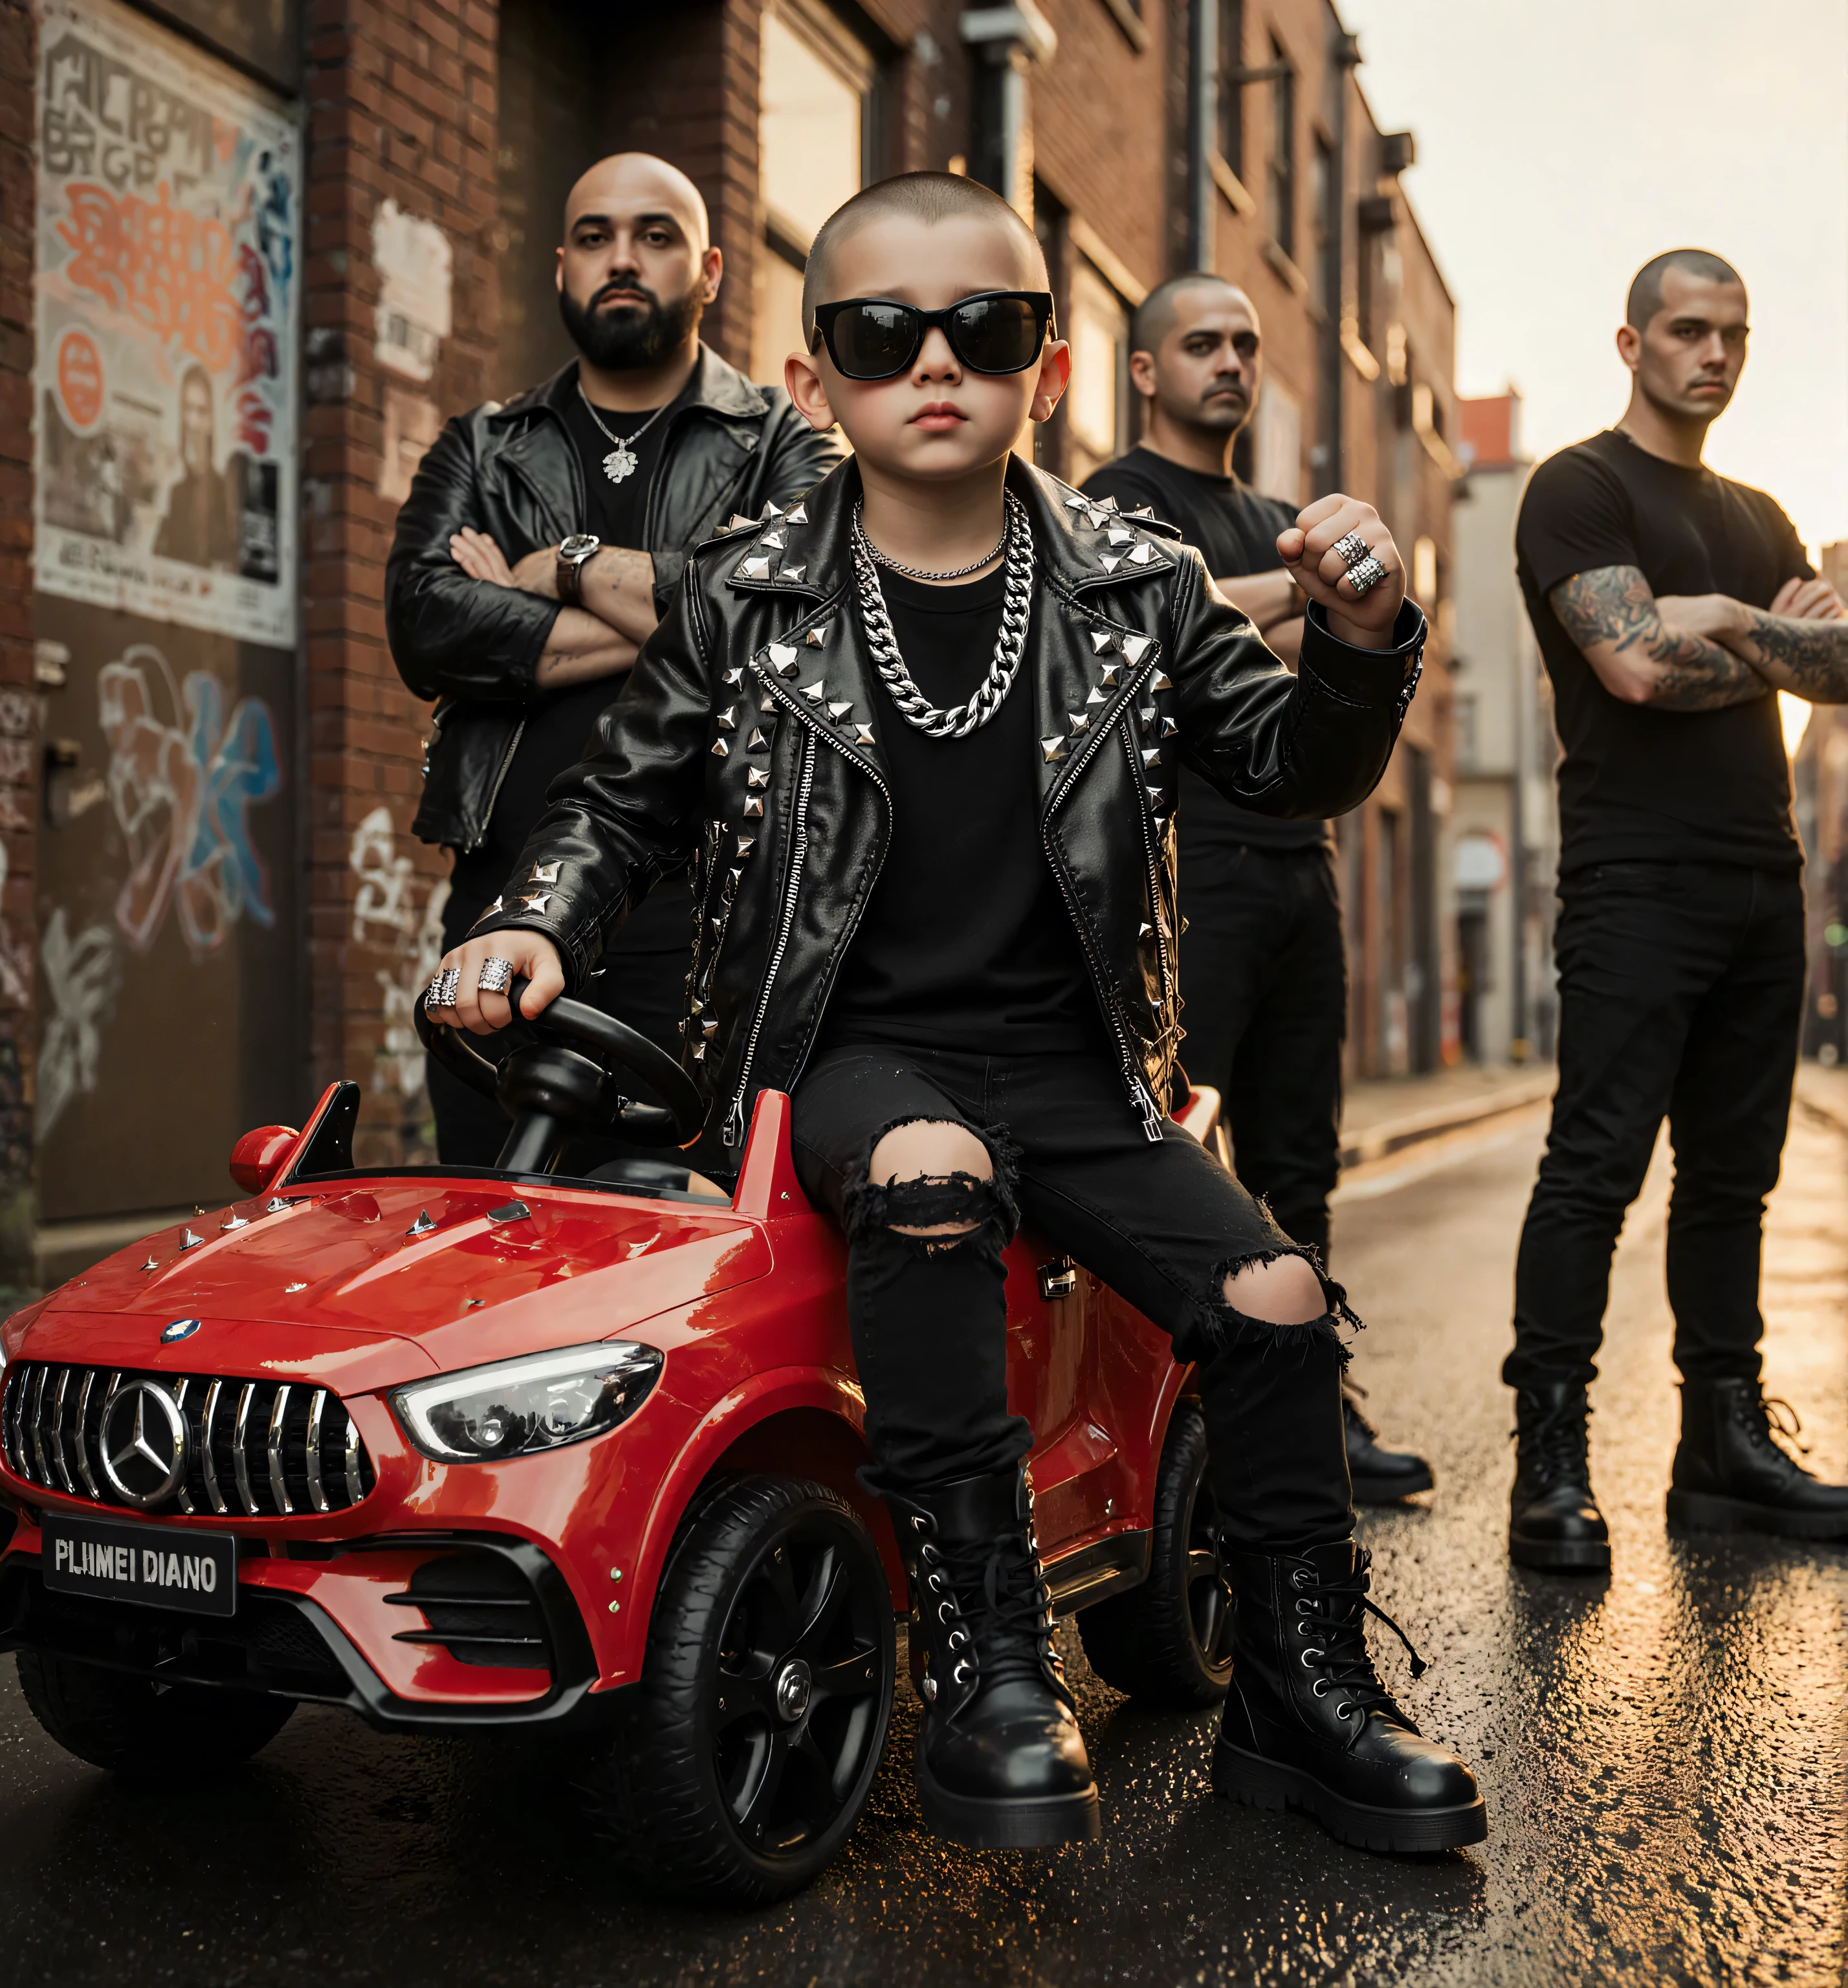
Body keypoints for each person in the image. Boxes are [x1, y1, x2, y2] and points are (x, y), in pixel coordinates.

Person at [423, 172, 1485, 1857]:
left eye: (981, 330)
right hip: (841, 1056)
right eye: (882, 331)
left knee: (1280, 1298)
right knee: (929, 1174)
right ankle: (994, 1664)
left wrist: (1364, 635)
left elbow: (1296, 766)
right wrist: (531, 927)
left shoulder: (1137, 585)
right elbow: (616, 809)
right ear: (819, 373)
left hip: (1080, 1070)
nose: (935, 361)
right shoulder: (739, 591)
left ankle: (1303, 1695)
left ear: (1043, 373)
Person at [386, 151, 838, 1162]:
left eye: (656, 235)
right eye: (595, 237)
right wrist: (691, 608)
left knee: (674, 1237)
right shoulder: (487, 444)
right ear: (560, 267)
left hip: (707, 909)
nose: (622, 258)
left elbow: (801, 624)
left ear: (712, 270)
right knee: (486, 1221)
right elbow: (426, 626)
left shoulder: (780, 438)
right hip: (500, 899)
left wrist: (563, 569)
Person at [1506, 247, 1848, 1572]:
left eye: (1735, 335)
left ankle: (1723, 1452)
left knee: (1733, 1182)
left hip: (1767, 880)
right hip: (1635, 881)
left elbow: (1842, 670)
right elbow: (1636, 667)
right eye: (1688, 330)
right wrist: (1762, 633)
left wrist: (1721, 615)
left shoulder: (1756, 512)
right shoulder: (1577, 488)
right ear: (1633, 341)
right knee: (1593, 1169)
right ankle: (1551, 1458)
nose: (1713, 354)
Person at [1081, 274, 1433, 1506]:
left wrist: (1289, 601)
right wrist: (1305, 591)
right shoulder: (1119, 503)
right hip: (1192, 878)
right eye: (1200, 343)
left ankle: (1313, 1405)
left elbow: (1307, 656)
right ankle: (1182, 1432)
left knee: (1303, 1157)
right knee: (1188, 1150)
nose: (1227, 362)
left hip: (1301, 869)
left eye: (1242, 343)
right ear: (1141, 370)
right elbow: (1140, 620)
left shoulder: (1276, 510)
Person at [153, 365, 238, 568]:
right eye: (188, 409)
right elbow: (155, 560)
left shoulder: (224, 490)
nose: (193, 422)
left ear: (212, 419)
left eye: (201, 411)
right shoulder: (175, 492)